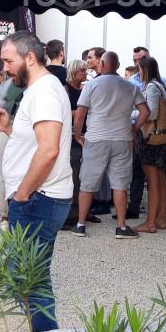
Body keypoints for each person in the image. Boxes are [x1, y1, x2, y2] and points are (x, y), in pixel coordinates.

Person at [0, 31, 74, 332]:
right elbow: (36, 143)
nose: (5, 69)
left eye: (9, 61)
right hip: (37, 198)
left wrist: (22, 193)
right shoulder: (37, 89)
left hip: (38, 198)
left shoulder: (45, 91)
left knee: (31, 279)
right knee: (26, 277)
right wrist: (9, 127)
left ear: (31, 58)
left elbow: (49, 150)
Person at [72, 51, 148, 238]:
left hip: (96, 138)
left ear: (103, 64)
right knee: (120, 184)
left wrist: (77, 134)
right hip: (122, 139)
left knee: (87, 183)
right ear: (119, 64)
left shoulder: (91, 85)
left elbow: (80, 114)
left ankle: (80, 225)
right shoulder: (130, 87)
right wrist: (133, 129)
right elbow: (145, 111)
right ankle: (121, 227)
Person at [134, 56, 166, 234]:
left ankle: (150, 222)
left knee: (152, 181)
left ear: (145, 70)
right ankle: (160, 218)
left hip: (151, 138)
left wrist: (134, 113)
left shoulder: (151, 87)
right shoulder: (161, 85)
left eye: (139, 69)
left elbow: (151, 113)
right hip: (162, 138)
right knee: (161, 179)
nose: (138, 72)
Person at [62, 59, 91, 229]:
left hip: (86, 135)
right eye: (82, 70)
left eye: (86, 70)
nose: (85, 73)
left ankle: (84, 211)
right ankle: (71, 215)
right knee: (74, 175)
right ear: (73, 71)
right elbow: (63, 111)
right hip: (73, 136)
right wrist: (81, 110)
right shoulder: (65, 89)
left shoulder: (85, 88)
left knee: (86, 176)